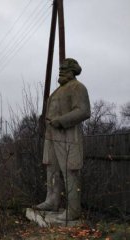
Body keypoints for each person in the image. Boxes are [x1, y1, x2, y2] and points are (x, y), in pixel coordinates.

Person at [35, 58, 91, 221]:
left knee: (69, 170)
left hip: (68, 135)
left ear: (73, 70)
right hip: (52, 134)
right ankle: (52, 201)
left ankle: (73, 210)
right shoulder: (58, 90)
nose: (61, 71)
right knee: (51, 168)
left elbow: (84, 111)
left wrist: (61, 120)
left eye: (65, 69)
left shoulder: (78, 87)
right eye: (60, 68)